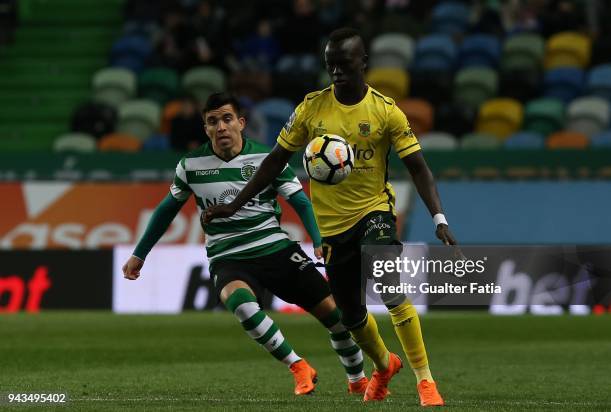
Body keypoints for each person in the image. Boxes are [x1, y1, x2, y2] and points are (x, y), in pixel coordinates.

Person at [203, 28, 455, 406]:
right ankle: (385, 366)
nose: (336, 71)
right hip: (333, 227)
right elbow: (274, 160)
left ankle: (425, 381)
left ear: (363, 63)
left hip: (375, 212)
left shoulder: (386, 112)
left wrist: (439, 217)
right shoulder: (310, 109)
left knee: (389, 287)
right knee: (351, 316)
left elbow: (419, 167)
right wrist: (235, 204)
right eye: (330, 65)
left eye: (344, 64)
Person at [123, 92, 369, 396]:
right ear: (206, 128)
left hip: (277, 250)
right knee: (241, 305)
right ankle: (298, 367)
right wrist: (139, 255)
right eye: (213, 121)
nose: (221, 127)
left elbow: (300, 201)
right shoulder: (190, 165)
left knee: (334, 316)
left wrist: (318, 242)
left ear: (241, 123)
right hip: (228, 257)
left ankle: (357, 377)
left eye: (227, 119)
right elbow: (165, 211)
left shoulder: (268, 158)